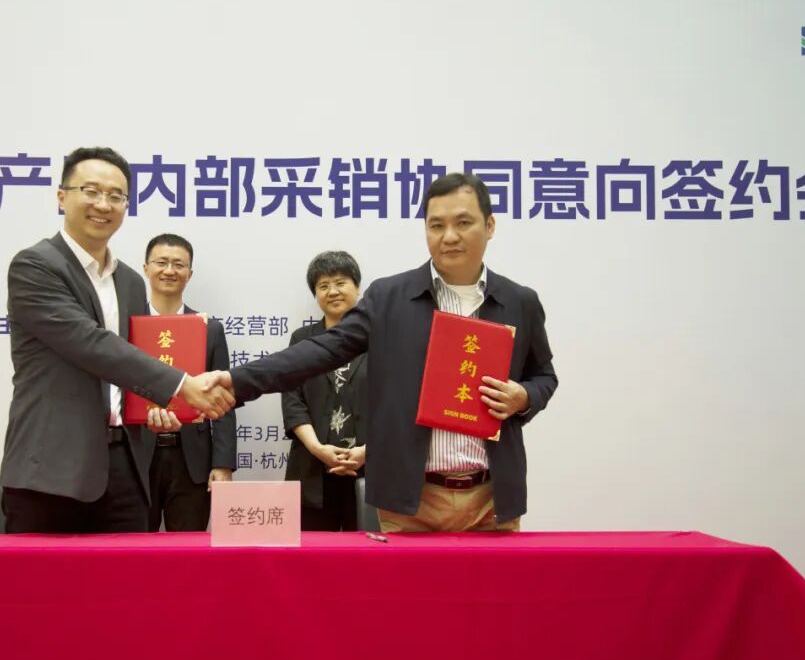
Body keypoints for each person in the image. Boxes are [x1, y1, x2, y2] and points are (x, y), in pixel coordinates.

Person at [208, 173, 557, 532]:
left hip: (491, 499)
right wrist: (235, 381)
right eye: (436, 225)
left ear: (490, 225)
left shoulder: (520, 302)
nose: (449, 236)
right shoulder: (390, 298)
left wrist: (525, 396)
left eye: (463, 223)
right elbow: (321, 349)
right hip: (410, 503)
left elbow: (544, 376)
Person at [0, 146, 232, 534]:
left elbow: (133, 366)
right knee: (45, 576)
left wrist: (157, 409)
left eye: (116, 195)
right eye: (91, 191)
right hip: (51, 468)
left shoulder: (131, 282)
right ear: (61, 197)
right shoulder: (36, 266)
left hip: (125, 468)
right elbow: (92, 345)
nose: (103, 204)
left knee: (129, 574)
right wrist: (183, 386)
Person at [142, 233, 236, 531]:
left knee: (188, 550)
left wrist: (222, 464)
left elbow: (223, 400)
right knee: (132, 549)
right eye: (161, 262)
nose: (169, 270)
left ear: (190, 274)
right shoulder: (127, 325)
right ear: (146, 268)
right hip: (137, 458)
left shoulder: (209, 329)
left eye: (178, 264)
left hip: (192, 461)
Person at [280, 251, 367, 531]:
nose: (333, 291)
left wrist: (368, 451)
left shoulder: (383, 338)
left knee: (368, 551)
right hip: (311, 468)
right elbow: (292, 401)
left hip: (370, 469)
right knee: (311, 553)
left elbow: (396, 403)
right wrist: (318, 449)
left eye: (340, 283)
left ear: (357, 287)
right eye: (323, 286)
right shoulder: (302, 340)